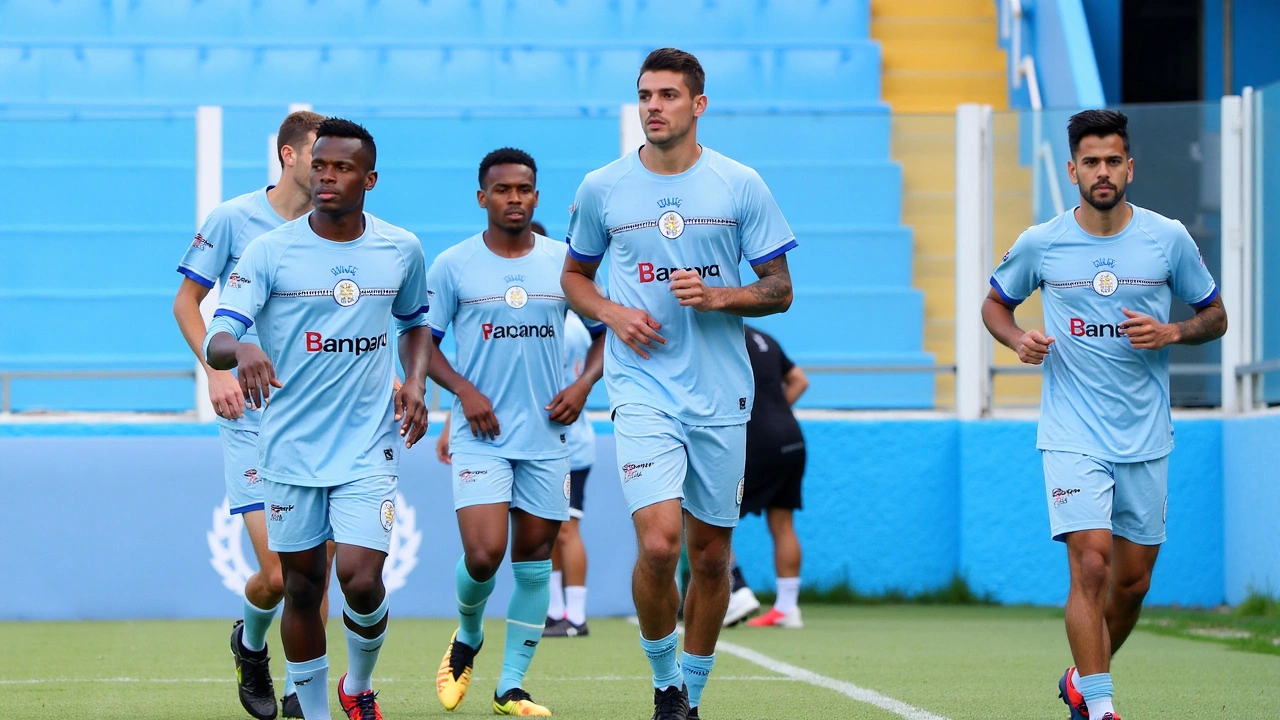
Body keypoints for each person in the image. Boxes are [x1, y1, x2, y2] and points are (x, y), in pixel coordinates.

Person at [561, 48, 797, 720]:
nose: (653, 106)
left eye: (668, 95)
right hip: (640, 389)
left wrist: (721, 297)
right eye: (645, 94)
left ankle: (691, 692)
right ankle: (665, 684)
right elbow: (574, 276)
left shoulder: (740, 184)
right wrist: (611, 314)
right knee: (661, 543)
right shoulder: (603, 187)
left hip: (722, 393)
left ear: (698, 105)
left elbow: (780, 290)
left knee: (712, 556)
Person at [982, 109, 1226, 720]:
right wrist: (1017, 340)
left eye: (1113, 160)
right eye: (1091, 161)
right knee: (1090, 561)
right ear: (1072, 170)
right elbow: (994, 305)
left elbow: (1215, 316)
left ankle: (1080, 680)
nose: (1103, 171)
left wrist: (1171, 330)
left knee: (1133, 583)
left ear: (1130, 167)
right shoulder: (1042, 242)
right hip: (1072, 432)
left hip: (1145, 435)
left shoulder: (1167, 238)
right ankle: (1100, 707)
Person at [204, 118, 433, 720]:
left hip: (368, 446)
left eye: (342, 168)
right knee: (301, 587)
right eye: (321, 165)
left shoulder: (401, 249)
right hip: (289, 447)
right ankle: (317, 712)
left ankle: (357, 686)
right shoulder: (268, 250)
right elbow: (218, 337)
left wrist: (413, 382)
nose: (326, 176)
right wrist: (242, 347)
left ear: (370, 178)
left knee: (360, 579)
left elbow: (414, 326)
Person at [428, 148, 605, 717]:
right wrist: (464, 392)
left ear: (536, 195)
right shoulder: (454, 265)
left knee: (534, 558)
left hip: (548, 440)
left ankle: (511, 686)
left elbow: (607, 332)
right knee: (484, 555)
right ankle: (468, 633)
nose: (514, 198)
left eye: (524, 189)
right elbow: (421, 346)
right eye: (502, 189)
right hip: (482, 434)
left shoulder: (565, 262)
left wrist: (581, 389)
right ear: (483, 197)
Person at [173, 110, 335, 720]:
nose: (327, 170)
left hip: (317, 415)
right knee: (276, 572)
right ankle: (250, 643)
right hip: (252, 419)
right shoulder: (233, 219)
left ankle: (303, 693)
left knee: (311, 569)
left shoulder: (336, 229)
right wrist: (215, 372)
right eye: (317, 156)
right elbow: (186, 302)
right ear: (287, 156)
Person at [725, 325, 808, 629]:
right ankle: (788, 608)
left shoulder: (723, 335)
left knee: (700, 511)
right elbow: (800, 381)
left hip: (757, 440)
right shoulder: (766, 337)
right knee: (783, 523)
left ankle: (735, 590)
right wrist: (776, 414)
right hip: (792, 437)